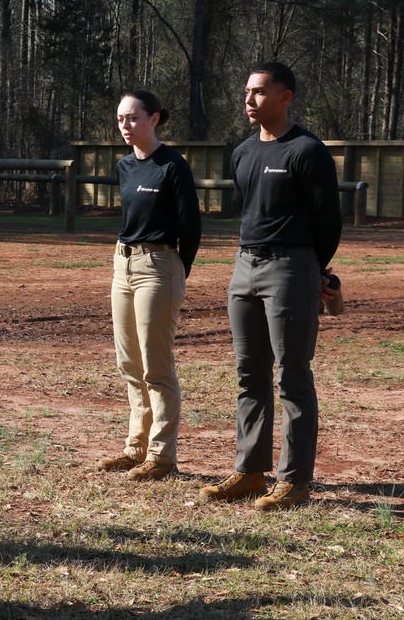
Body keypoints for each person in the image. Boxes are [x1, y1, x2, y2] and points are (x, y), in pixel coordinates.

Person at [199, 62, 342, 511]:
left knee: (292, 375)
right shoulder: (242, 152)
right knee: (249, 374)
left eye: (260, 92)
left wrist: (311, 270)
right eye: (246, 91)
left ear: (286, 97)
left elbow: (328, 222)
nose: (249, 100)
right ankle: (249, 472)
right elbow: (248, 210)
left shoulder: (307, 150)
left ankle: (295, 481)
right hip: (244, 266)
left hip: (291, 267)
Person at [98, 91, 201, 482]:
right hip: (122, 264)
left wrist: (175, 269)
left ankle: (161, 456)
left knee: (156, 367)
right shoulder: (125, 166)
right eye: (121, 118)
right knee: (129, 364)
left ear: (154, 119)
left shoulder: (173, 166)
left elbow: (191, 226)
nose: (125, 125)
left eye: (133, 118)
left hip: (159, 267)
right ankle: (135, 448)